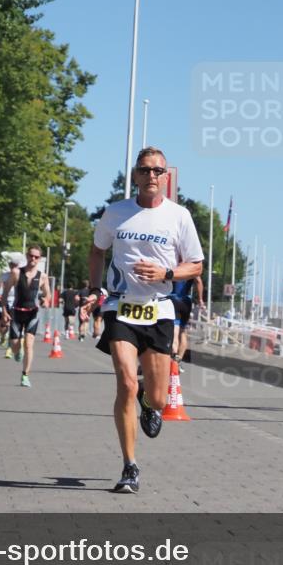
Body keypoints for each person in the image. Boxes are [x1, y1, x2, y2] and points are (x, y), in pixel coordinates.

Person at [82, 146, 204, 494]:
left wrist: (166, 272)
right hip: (120, 307)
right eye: (145, 169)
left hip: (159, 308)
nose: (151, 175)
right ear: (135, 175)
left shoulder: (179, 216)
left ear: (165, 177)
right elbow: (97, 250)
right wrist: (95, 289)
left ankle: (150, 405)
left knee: (159, 397)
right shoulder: (116, 212)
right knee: (126, 383)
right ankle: (129, 466)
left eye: (157, 170)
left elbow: (196, 265)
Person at [2, 246, 52, 387]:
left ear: (39, 259)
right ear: (27, 256)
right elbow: (5, 293)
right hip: (17, 312)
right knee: (15, 346)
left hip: (32, 313)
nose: (33, 259)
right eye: (31, 255)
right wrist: (4, 311)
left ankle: (25, 375)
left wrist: (46, 300)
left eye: (36, 257)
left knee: (29, 344)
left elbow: (48, 294)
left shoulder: (42, 276)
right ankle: (17, 351)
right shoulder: (16, 272)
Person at [170, 275, 204, 370]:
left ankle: (172, 363)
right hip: (186, 301)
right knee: (183, 332)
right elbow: (198, 281)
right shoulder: (191, 268)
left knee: (174, 333)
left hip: (173, 299)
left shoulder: (174, 266)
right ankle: (178, 361)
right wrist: (200, 299)